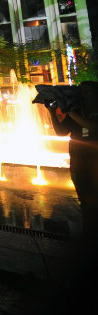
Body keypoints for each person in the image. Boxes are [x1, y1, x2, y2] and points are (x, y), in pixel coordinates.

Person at [45, 81, 98, 249]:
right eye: (81, 91)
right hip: (78, 164)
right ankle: (88, 237)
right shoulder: (76, 110)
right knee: (85, 203)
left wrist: (70, 111)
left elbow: (93, 127)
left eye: (87, 91)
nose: (83, 94)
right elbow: (61, 132)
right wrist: (51, 111)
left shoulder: (85, 112)